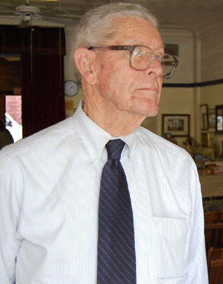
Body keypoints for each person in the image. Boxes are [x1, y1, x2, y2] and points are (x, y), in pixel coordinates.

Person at [0, 3, 208, 283]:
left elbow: (194, 274)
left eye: (160, 57)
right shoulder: (17, 168)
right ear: (88, 65)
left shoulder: (178, 166)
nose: (157, 69)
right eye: (138, 53)